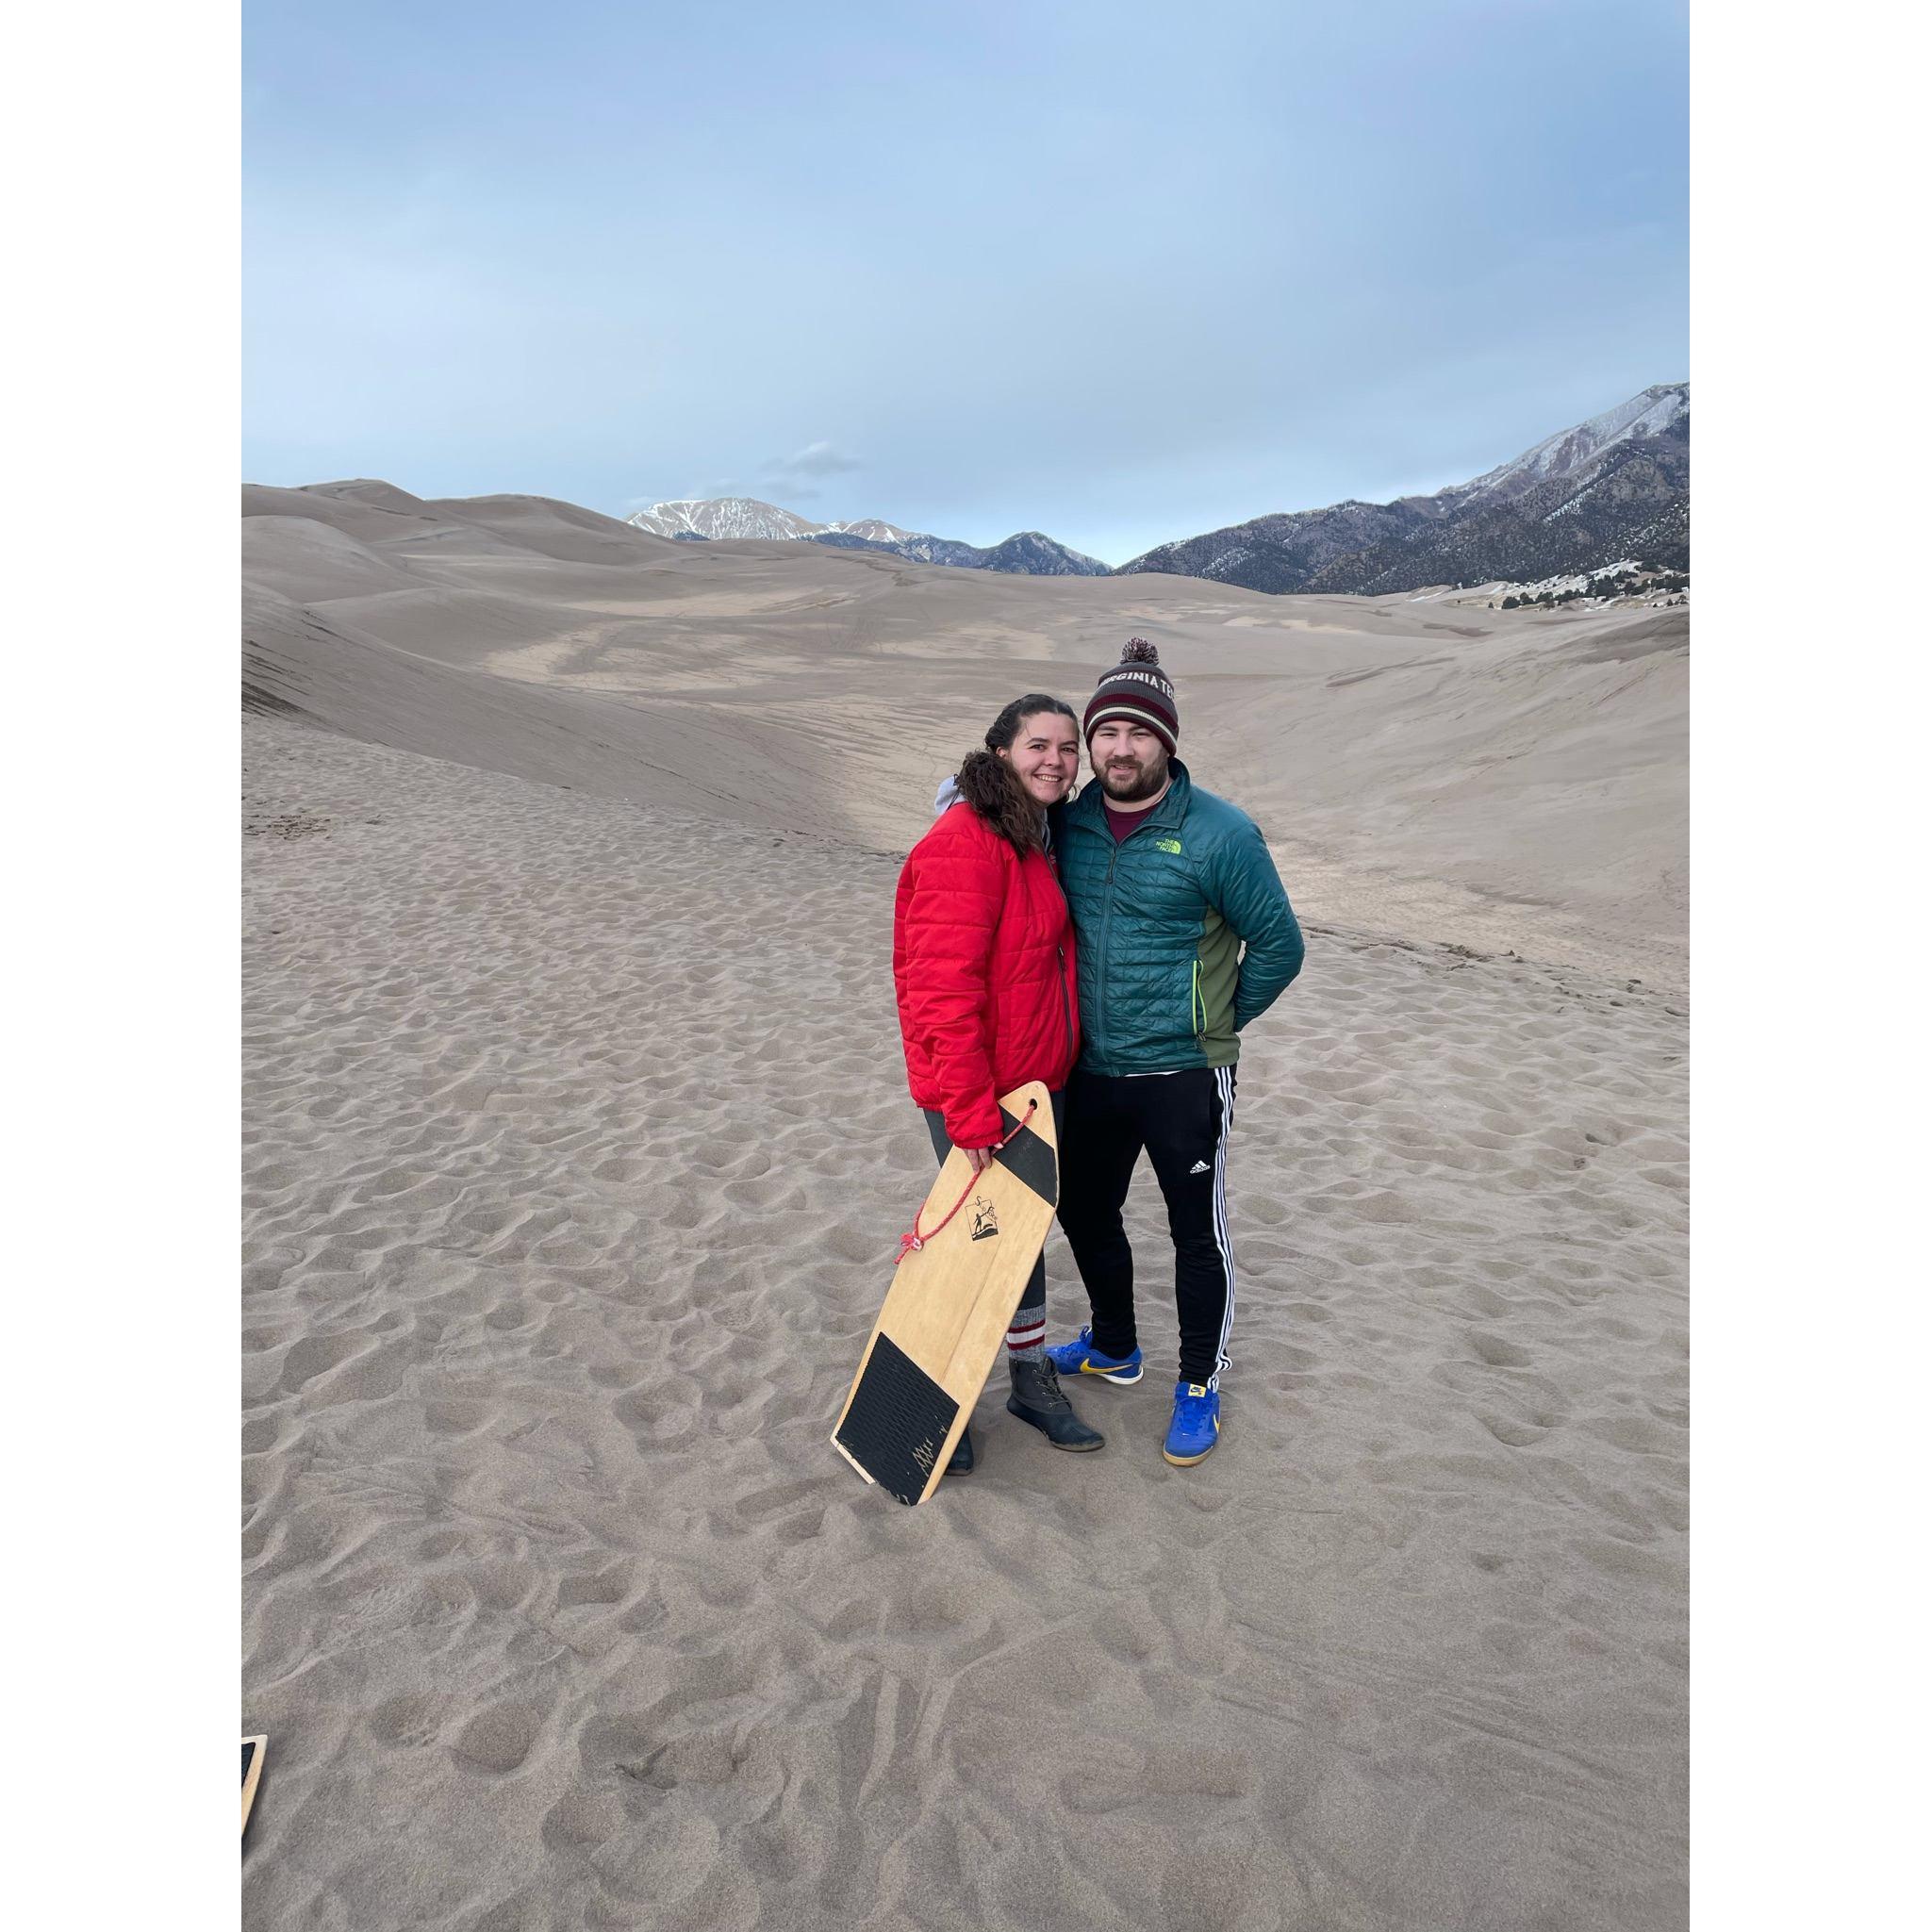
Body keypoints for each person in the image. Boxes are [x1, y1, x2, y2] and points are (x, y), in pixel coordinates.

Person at [1045, 639, 1304, 1467]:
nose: (1120, 748)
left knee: (1197, 1232)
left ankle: (1198, 1383)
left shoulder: (1220, 834)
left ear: (1168, 741)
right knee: (1083, 1210)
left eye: (1139, 732)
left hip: (1183, 1075)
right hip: (1090, 1071)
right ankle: (1115, 1345)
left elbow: (1278, 944)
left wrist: (1210, 1026)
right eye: (1106, 731)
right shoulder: (1070, 822)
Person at [892, 694, 1102, 1471]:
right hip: (979, 1095)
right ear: (1000, 752)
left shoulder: (1030, 835)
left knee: (1017, 1240)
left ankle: (1025, 1378)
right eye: (1037, 745)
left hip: (1030, 1090)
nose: (1055, 759)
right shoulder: (967, 841)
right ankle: (938, 1397)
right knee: (972, 1243)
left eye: (1067, 747)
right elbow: (940, 989)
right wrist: (971, 1113)